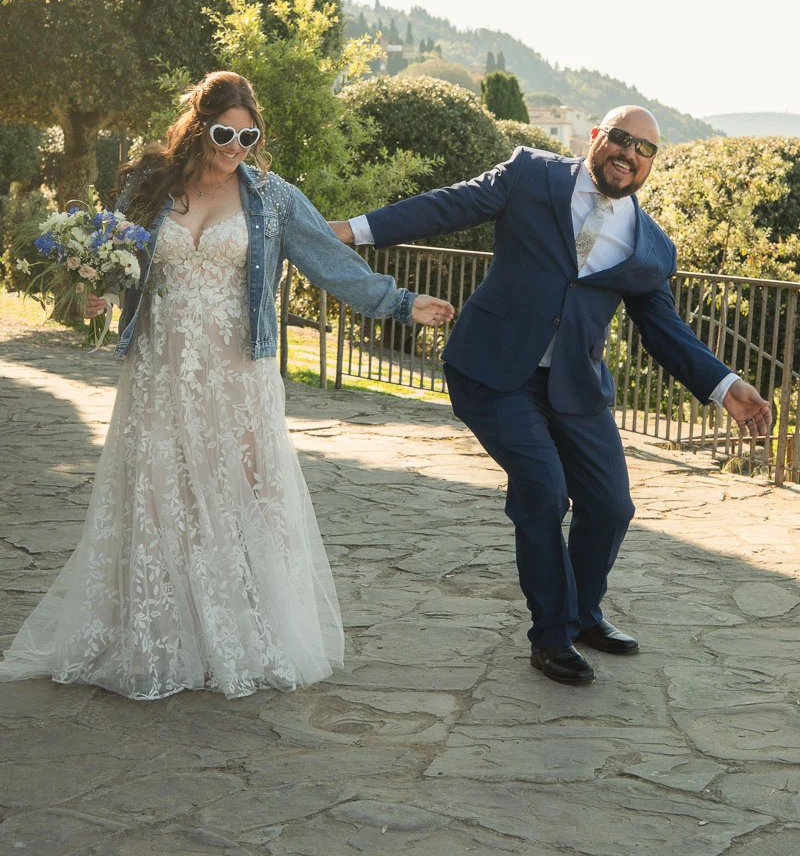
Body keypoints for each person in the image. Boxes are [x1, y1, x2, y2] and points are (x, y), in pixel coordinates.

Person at [0, 72, 453, 700]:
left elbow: (329, 261)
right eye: (223, 134)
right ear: (197, 126)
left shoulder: (272, 196)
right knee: (158, 493)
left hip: (238, 371)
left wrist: (401, 303)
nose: (236, 147)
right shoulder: (148, 184)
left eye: (248, 136)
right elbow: (117, 262)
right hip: (159, 367)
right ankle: (160, 637)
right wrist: (95, 291)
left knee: (239, 493)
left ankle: (240, 637)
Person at [329, 106, 771, 686]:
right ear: (596, 137)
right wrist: (352, 231)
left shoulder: (651, 248)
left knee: (611, 506)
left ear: (651, 163)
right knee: (543, 492)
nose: (630, 153)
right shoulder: (530, 173)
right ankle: (552, 637)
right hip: (494, 370)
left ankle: (583, 614)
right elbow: (448, 205)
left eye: (644, 149)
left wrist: (725, 385)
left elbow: (665, 330)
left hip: (574, 386)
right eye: (621, 139)